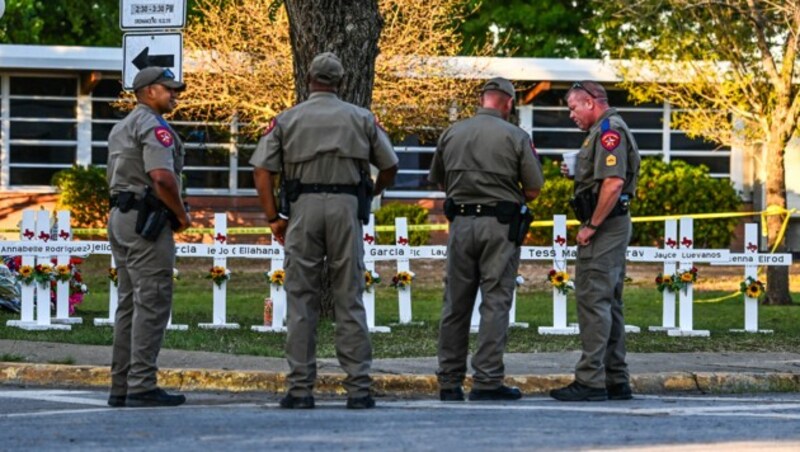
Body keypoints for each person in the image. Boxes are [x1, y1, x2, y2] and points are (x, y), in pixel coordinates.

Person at [250, 52, 398, 410]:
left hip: (302, 209)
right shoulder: (361, 118)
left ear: (309, 80)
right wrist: (370, 192)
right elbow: (390, 164)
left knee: (301, 297)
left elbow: (261, 170)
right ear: (340, 82)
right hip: (347, 207)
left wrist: (273, 217)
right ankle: (359, 388)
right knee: (350, 296)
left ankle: (300, 389)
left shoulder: (287, 119)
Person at [430, 77, 544, 402]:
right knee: (495, 301)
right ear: (508, 102)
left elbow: (438, 180)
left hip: (461, 224)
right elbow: (533, 189)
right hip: (500, 226)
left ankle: (449, 381)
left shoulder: (452, 133)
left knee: (456, 303)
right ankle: (487, 380)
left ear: (483, 99)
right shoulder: (516, 136)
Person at [106, 66, 191, 407]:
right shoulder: (154, 127)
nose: (175, 95)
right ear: (150, 90)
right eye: (169, 89)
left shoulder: (121, 126)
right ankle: (142, 383)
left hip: (122, 216)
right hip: (147, 220)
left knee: (128, 303)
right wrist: (181, 216)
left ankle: (122, 384)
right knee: (152, 300)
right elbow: (162, 177)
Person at [550, 81, 640, 402]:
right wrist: (576, 173)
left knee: (593, 300)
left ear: (590, 102)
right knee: (610, 304)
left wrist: (591, 225)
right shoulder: (602, 131)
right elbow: (602, 178)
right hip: (612, 223)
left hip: (605, 226)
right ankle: (616, 379)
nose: (572, 115)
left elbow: (614, 183)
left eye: (573, 108)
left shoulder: (609, 131)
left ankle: (590, 380)